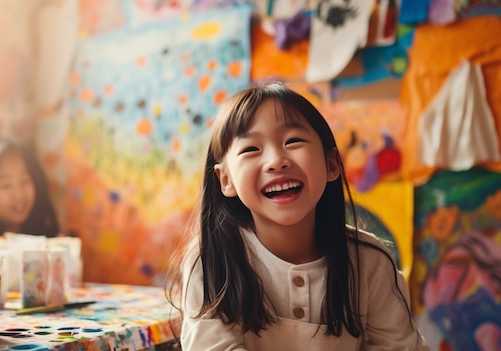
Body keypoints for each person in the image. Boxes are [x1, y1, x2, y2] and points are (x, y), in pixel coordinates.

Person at [165, 82, 429, 350]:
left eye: (293, 141)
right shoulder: (211, 260)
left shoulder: (370, 263)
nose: (276, 161)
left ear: (332, 164)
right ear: (226, 180)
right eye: (250, 149)